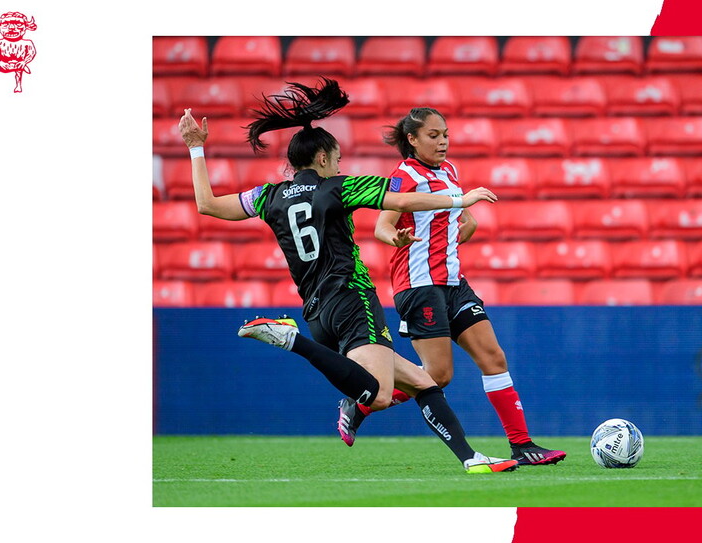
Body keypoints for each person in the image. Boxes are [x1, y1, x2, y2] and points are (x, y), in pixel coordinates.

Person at [176, 78, 516, 474]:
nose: (339, 166)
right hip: (353, 300)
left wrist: (195, 147)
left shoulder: (268, 196)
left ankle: (471, 460)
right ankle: (291, 340)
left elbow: (207, 205)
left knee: (424, 382)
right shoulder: (339, 187)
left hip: (317, 311)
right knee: (379, 393)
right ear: (322, 158)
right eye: (336, 159)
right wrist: (460, 198)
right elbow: (401, 199)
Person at [336, 107, 566, 466]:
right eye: (433, 135)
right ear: (412, 139)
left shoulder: (450, 171)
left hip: (454, 282)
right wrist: (396, 238)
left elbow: (461, 220)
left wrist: (464, 227)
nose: (442, 141)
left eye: (445, 134)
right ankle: (360, 404)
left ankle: (522, 445)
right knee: (438, 375)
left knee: (493, 357)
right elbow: (382, 226)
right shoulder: (403, 176)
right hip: (419, 284)